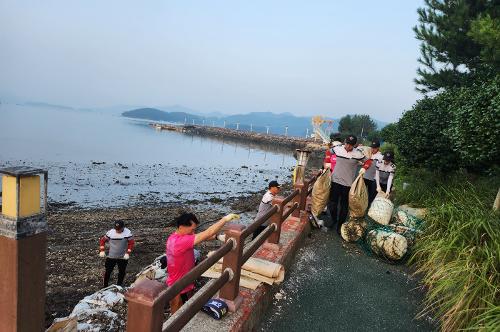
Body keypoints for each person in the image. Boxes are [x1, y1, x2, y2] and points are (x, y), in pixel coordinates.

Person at [166, 212, 239, 314]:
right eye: (192, 229)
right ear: (182, 227)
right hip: (178, 285)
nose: (193, 232)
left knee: (187, 309)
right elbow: (208, 233)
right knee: (177, 312)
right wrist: (225, 219)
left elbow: (200, 236)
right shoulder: (181, 242)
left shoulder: (176, 237)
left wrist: (217, 237)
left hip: (185, 280)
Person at [328, 134, 370, 234]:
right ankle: (334, 220)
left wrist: (364, 168)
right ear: (344, 142)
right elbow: (328, 151)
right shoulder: (338, 149)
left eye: (351, 145)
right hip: (335, 181)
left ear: (354, 145)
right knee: (332, 204)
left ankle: (340, 226)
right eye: (347, 144)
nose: (348, 147)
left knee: (344, 205)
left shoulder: (358, 154)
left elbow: (368, 161)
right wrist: (327, 162)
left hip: (347, 184)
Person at [99, 220, 135, 288]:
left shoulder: (128, 233)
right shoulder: (110, 233)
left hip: (122, 257)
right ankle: (105, 286)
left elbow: (131, 243)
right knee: (108, 271)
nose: (117, 230)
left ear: (123, 227)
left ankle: (119, 285)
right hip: (111, 256)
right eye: (116, 229)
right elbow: (102, 240)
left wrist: (128, 253)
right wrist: (102, 250)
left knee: (122, 271)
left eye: (119, 229)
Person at [363, 139, 383, 206]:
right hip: (365, 177)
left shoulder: (380, 157)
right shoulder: (369, 154)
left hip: (373, 179)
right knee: (362, 193)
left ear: (378, 148)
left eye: (375, 148)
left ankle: (368, 208)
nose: (373, 149)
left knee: (371, 195)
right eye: (372, 147)